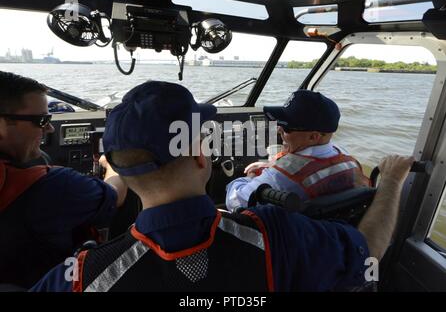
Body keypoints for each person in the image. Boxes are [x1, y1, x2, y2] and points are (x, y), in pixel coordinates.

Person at [30, 81, 413, 292]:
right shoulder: (277, 234)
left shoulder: (82, 275)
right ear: (200, 158)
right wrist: (392, 180)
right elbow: (369, 254)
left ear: (115, 168)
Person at [0, 71, 127, 288]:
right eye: (41, 120)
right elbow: (115, 195)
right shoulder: (56, 185)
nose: (49, 128)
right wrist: (113, 168)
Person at [226, 89, 370, 212]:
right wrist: (270, 166)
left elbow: (235, 202)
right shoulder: (344, 155)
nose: (278, 130)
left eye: (286, 128)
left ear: (313, 137)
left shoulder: (282, 177)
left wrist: (250, 178)